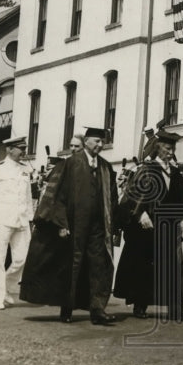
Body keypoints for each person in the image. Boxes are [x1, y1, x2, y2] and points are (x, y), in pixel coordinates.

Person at [19, 126, 118, 324]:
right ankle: (67, 308)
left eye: (102, 142)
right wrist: (61, 224)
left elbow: (112, 199)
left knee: (98, 266)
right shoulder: (70, 164)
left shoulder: (106, 167)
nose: (99, 145)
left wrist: (113, 225)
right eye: (96, 141)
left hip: (98, 228)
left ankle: (97, 310)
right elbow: (57, 197)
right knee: (72, 266)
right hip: (75, 225)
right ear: (87, 141)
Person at [115, 129, 183, 322]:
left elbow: (180, 199)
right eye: (166, 148)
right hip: (147, 228)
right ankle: (141, 304)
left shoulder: (175, 173)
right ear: (158, 149)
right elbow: (133, 195)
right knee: (145, 267)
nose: (170, 151)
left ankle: (176, 307)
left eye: (172, 148)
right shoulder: (147, 169)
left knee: (174, 267)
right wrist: (140, 214)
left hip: (169, 227)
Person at [0, 136, 34, 310]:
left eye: (25, 148)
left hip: (21, 220)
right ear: (9, 150)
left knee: (22, 258)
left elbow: (27, 197)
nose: (23, 151)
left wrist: (30, 219)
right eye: (20, 148)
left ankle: (7, 287)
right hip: (0, 220)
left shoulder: (25, 170)